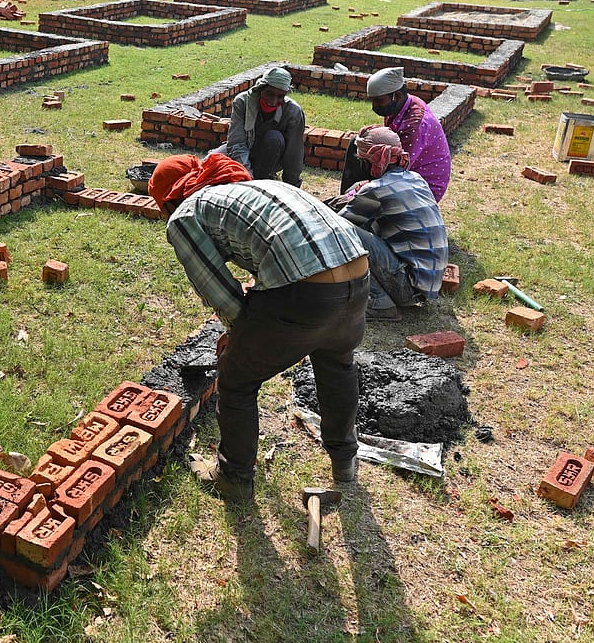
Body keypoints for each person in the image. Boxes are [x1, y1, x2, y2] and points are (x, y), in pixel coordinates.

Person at [149, 154, 370, 502]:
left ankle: (234, 477)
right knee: (337, 363)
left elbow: (221, 294)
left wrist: (240, 338)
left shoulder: (185, 214)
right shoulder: (252, 189)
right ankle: (345, 460)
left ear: (168, 199)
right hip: (358, 276)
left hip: (306, 291)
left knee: (236, 378)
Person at [332, 127, 448, 322]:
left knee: (340, 231)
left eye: (362, 161)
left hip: (407, 285)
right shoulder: (416, 179)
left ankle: (379, 304)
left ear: (372, 162)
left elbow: (337, 224)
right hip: (427, 284)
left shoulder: (378, 189)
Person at [340, 67, 452, 202]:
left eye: (379, 101)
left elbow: (395, 168)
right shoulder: (405, 104)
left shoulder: (414, 125)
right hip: (406, 174)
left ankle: (350, 204)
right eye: (373, 100)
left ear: (397, 96)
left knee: (365, 162)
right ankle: (346, 201)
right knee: (357, 143)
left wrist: (360, 189)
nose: (374, 106)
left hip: (422, 189)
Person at [211, 67, 304, 186]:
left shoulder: (293, 112)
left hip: (271, 154)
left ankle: (263, 178)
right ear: (260, 90)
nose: (274, 101)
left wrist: (293, 186)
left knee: (274, 138)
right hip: (244, 150)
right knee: (210, 162)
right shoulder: (243, 102)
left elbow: (294, 153)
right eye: (270, 94)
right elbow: (237, 143)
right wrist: (248, 176)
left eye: (280, 96)